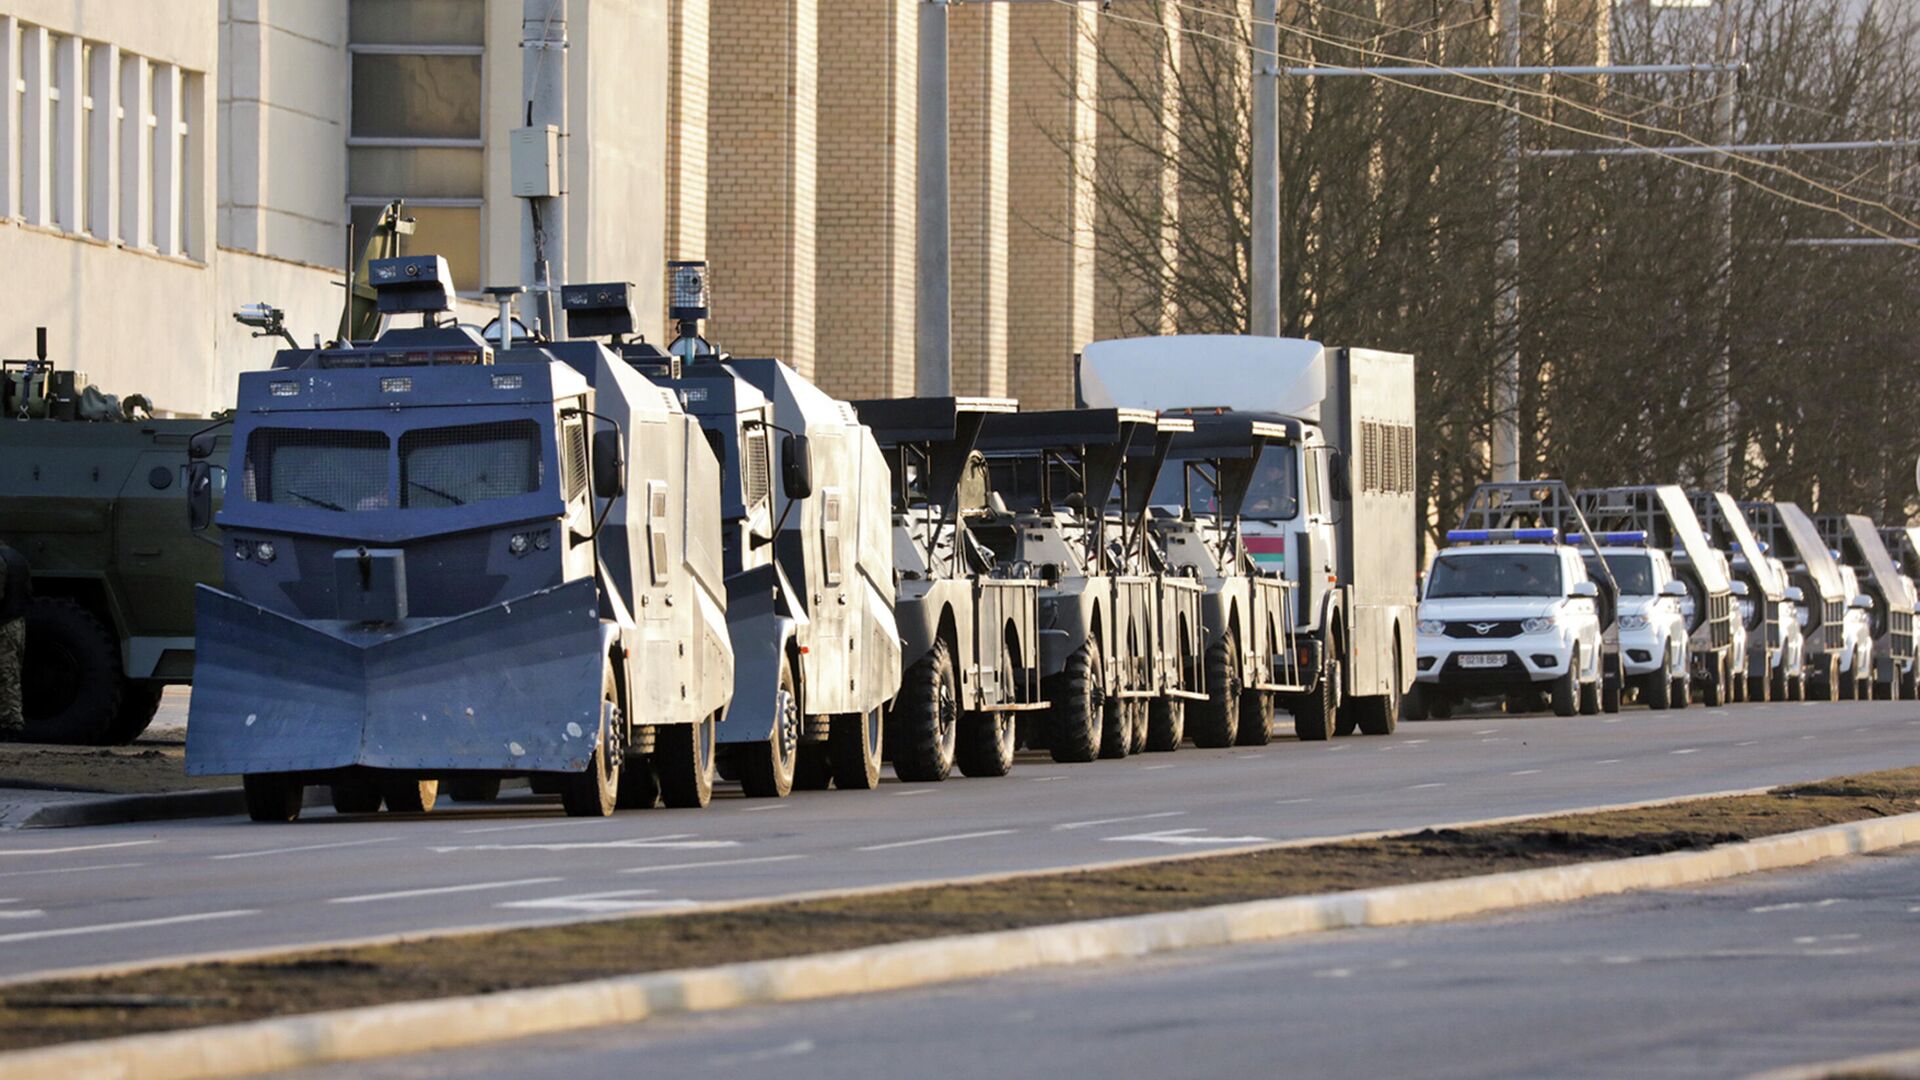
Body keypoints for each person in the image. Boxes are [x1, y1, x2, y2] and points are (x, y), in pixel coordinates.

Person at [0, 541, 27, 738]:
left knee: (6, 675)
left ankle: (11, 723)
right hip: (17, 623)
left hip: (4, 625)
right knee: (12, 672)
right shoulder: (17, 557)